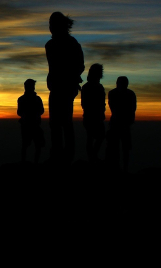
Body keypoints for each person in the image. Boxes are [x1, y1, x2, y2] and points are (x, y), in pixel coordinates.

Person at [44, 12, 84, 164]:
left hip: (65, 88)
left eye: (52, 24)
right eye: (50, 24)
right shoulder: (51, 45)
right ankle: (58, 155)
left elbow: (79, 65)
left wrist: (70, 78)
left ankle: (66, 157)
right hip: (56, 88)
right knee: (56, 123)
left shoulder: (70, 43)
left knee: (64, 122)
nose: (50, 28)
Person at [105, 76, 136, 172]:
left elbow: (131, 108)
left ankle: (119, 168)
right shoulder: (130, 94)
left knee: (119, 147)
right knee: (121, 148)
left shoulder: (113, 93)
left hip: (118, 123)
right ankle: (121, 168)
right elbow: (132, 108)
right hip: (122, 123)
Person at [81, 63, 106, 164]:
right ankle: (92, 158)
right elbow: (85, 104)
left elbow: (101, 102)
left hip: (95, 116)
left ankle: (92, 157)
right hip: (91, 116)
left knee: (95, 137)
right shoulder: (88, 87)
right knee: (92, 137)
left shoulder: (98, 87)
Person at [17, 79, 45, 164]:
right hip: (32, 125)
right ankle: (34, 162)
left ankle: (24, 162)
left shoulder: (21, 99)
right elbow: (41, 111)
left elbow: (19, 112)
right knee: (35, 145)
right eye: (32, 86)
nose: (33, 88)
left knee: (27, 145)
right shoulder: (37, 99)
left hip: (27, 125)